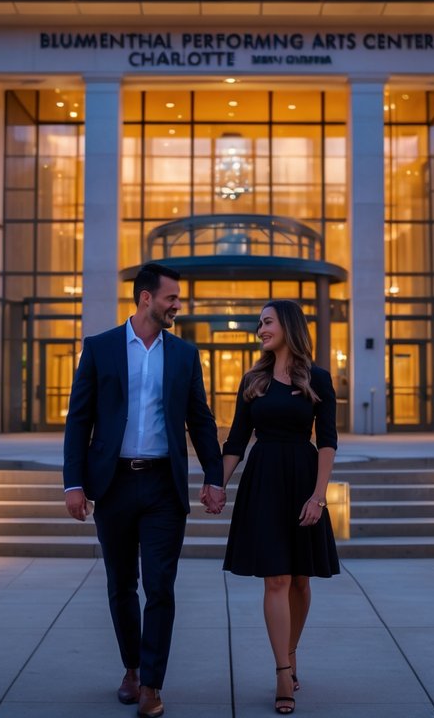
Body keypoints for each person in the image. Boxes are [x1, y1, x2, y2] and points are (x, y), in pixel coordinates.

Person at [63, 263, 225, 718]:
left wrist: (214, 476)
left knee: (160, 586)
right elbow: (80, 419)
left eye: (178, 298)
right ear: (145, 298)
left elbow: (201, 419)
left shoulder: (185, 355)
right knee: (121, 586)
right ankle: (131, 669)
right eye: (172, 297)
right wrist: (73, 483)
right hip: (112, 484)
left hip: (162, 486)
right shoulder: (99, 349)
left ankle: (152, 683)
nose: (178, 305)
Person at [221, 300, 339, 715]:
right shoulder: (253, 379)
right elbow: (236, 440)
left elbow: (327, 441)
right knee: (276, 578)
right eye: (259, 324)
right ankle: (282, 671)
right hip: (264, 482)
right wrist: (217, 484)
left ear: (288, 325)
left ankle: (291, 651)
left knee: (301, 580)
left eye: (267, 322)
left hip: (304, 480)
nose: (260, 329)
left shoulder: (318, 379)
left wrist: (318, 495)